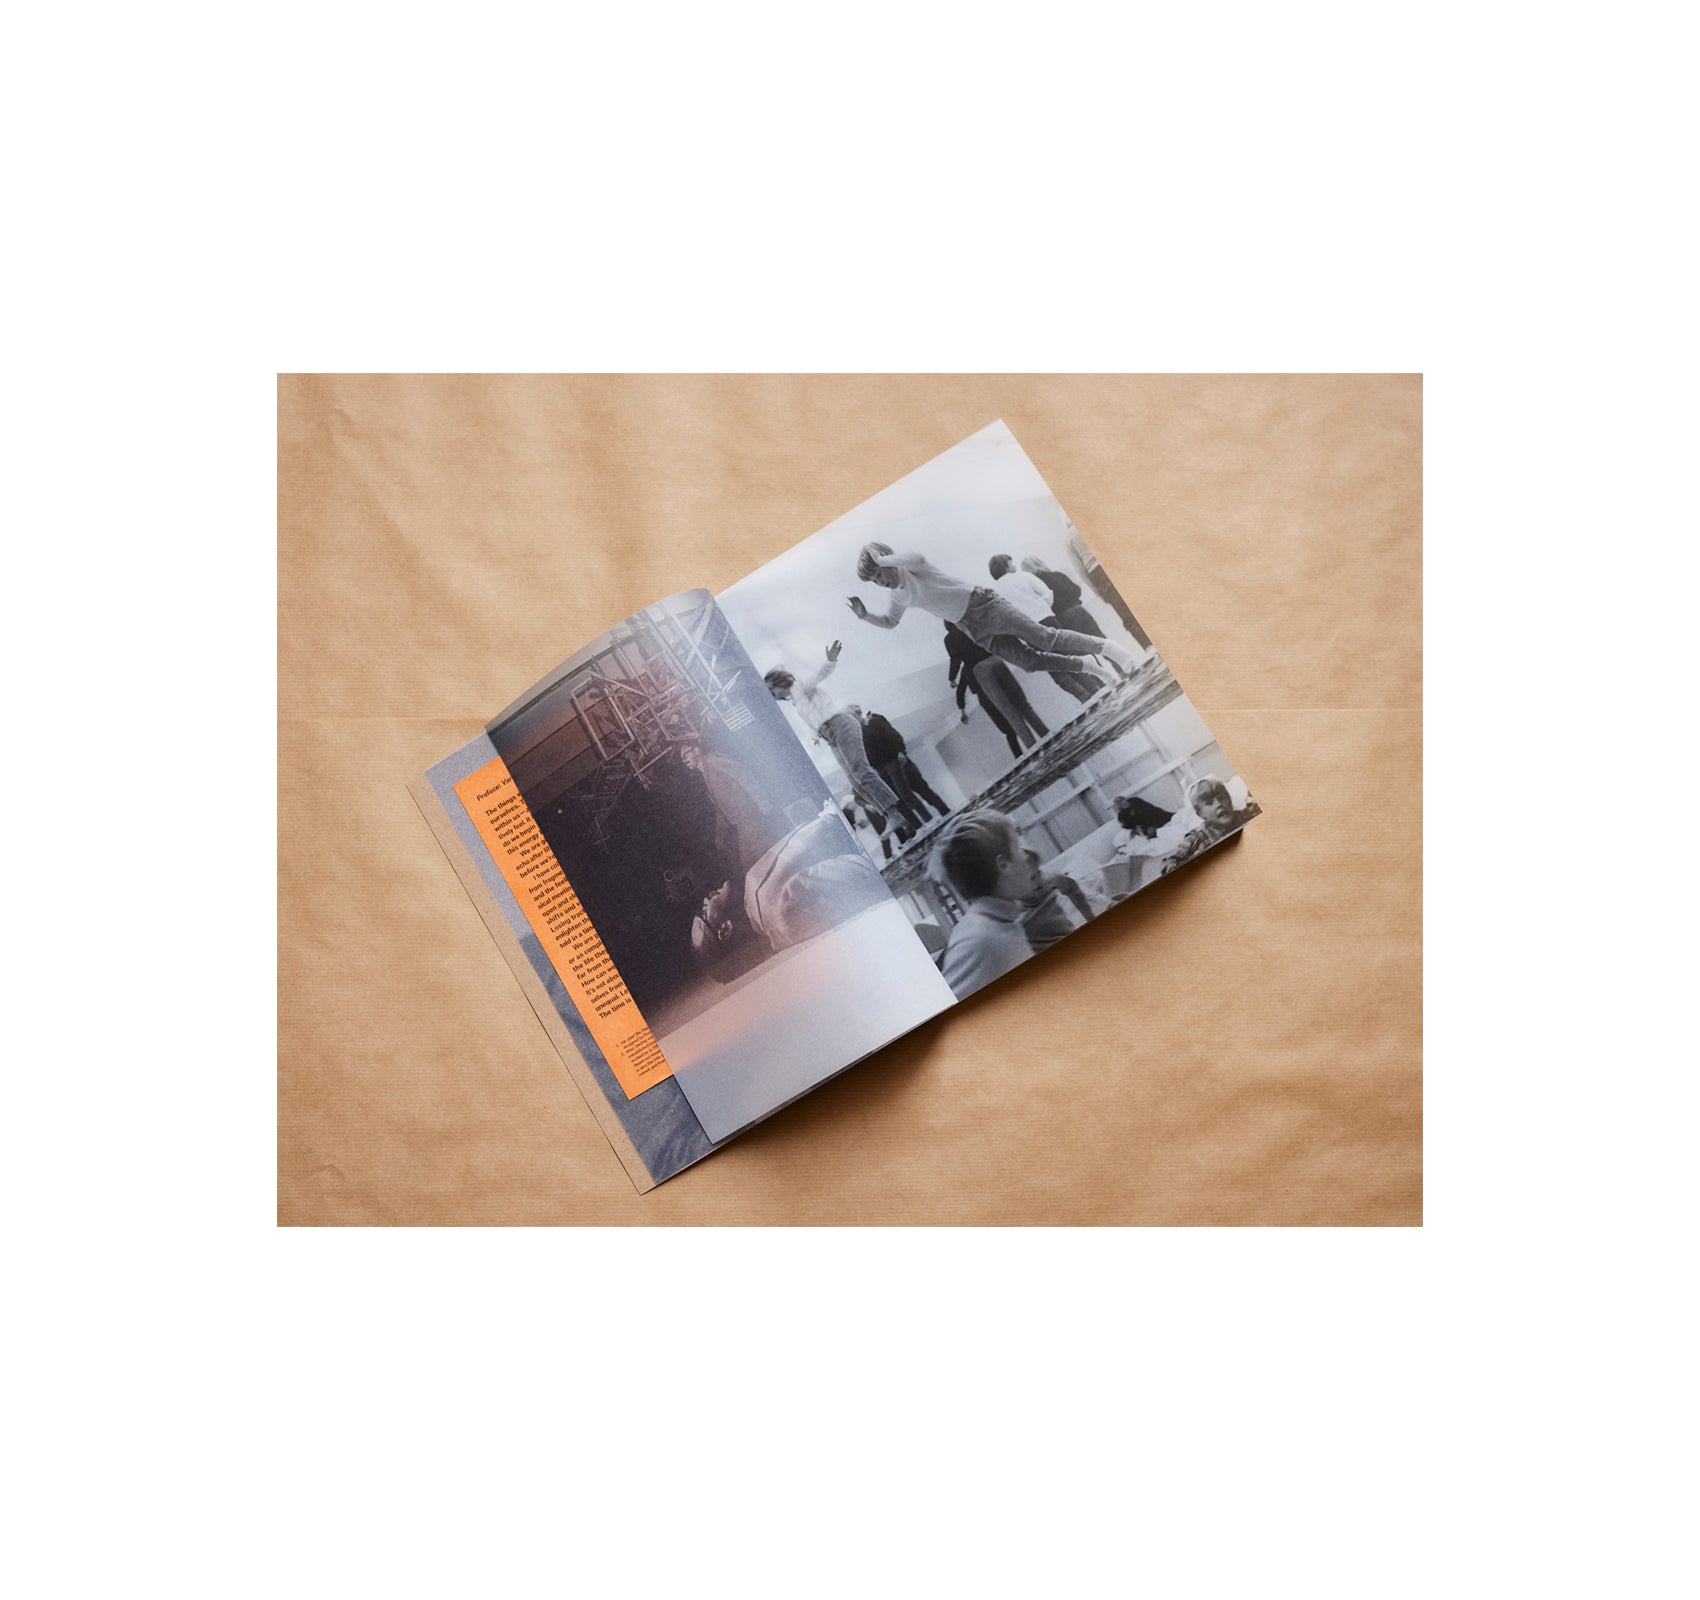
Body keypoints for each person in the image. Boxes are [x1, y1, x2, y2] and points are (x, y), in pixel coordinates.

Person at [847, 543, 1146, 680]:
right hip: (970, 626)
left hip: (983, 604)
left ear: (889, 561)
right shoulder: (898, 596)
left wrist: (882, 560)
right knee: (1029, 663)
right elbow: (890, 621)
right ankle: (1090, 667)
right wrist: (864, 616)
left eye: (880, 574)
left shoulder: (914, 568)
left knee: (1046, 638)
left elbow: (917, 556)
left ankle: (1111, 649)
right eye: (875, 581)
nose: (881, 582)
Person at [693, 803, 888, 959]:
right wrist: (840, 814)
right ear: (725, 929)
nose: (705, 899)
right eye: (703, 912)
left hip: (856, 830)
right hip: (865, 837)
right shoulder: (767, 901)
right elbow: (859, 871)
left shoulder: (771, 925)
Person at [763, 640, 908, 840]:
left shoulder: (800, 687)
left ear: (777, 683)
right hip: (830, 735)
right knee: (855, 783)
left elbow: (819, 675)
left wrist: (830, 661)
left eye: (771, 690)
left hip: (840, 725)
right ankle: (891, 816)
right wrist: (815, 737)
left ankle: (894, 813)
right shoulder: (795, 702)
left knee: (862, 772)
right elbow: (812, 719)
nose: (772, 695)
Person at [989, 555, 1100, 701]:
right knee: (1069, 655)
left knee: (1052, 666)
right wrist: (1043, 608)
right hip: (1047, 619)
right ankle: (1095, 690)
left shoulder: (995, 593)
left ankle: (1083, 696)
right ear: (1005, 566)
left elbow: (1004, 617)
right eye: (1011, 563)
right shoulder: (1023, 576)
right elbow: (1047, 594)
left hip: (1026, 629)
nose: (1013, 565)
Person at [679, 738, 786, 878]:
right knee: (768, 852)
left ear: (696, 750)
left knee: (751, 862)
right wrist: (720, 835)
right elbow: (720, 808)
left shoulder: (713, 760)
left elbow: (742, 774)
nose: (684, 760)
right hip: (742, 821)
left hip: (748, 814)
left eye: (685, 755)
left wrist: (762, 800)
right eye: (682, 759)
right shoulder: (705, 774)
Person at [944, 621, 1048, 753]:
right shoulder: (970, 625)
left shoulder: (950, 639)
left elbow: (955, 660)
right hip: (996, 660)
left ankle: (1033, 748)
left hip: (981, 669)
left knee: (1010, 713)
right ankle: (1047, 736)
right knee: (1024, 705)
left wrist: (952, 678)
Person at [860, 707, 949, 827]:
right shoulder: (859, 734)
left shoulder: (875, 721)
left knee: (923, 791)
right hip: (886, 767)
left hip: (898, 763)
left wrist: (900, 752)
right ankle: (927, 824)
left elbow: (893, 736)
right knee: (904, 799)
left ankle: (945, 814)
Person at [1019, 555, 1109, 643]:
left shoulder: (1034, 588)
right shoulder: (1057, 575)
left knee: (1086, 647)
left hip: (1063, 620)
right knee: (1103, 642)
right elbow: (1076, 590)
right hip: (1079, 610)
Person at [1021, 847, 1093, 952]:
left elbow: (1072, 887)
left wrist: (1089, 916)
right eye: (1031, 878)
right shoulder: (1012, 909)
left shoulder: (1049, 878)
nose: (1039, 882)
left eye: (1038, 873)